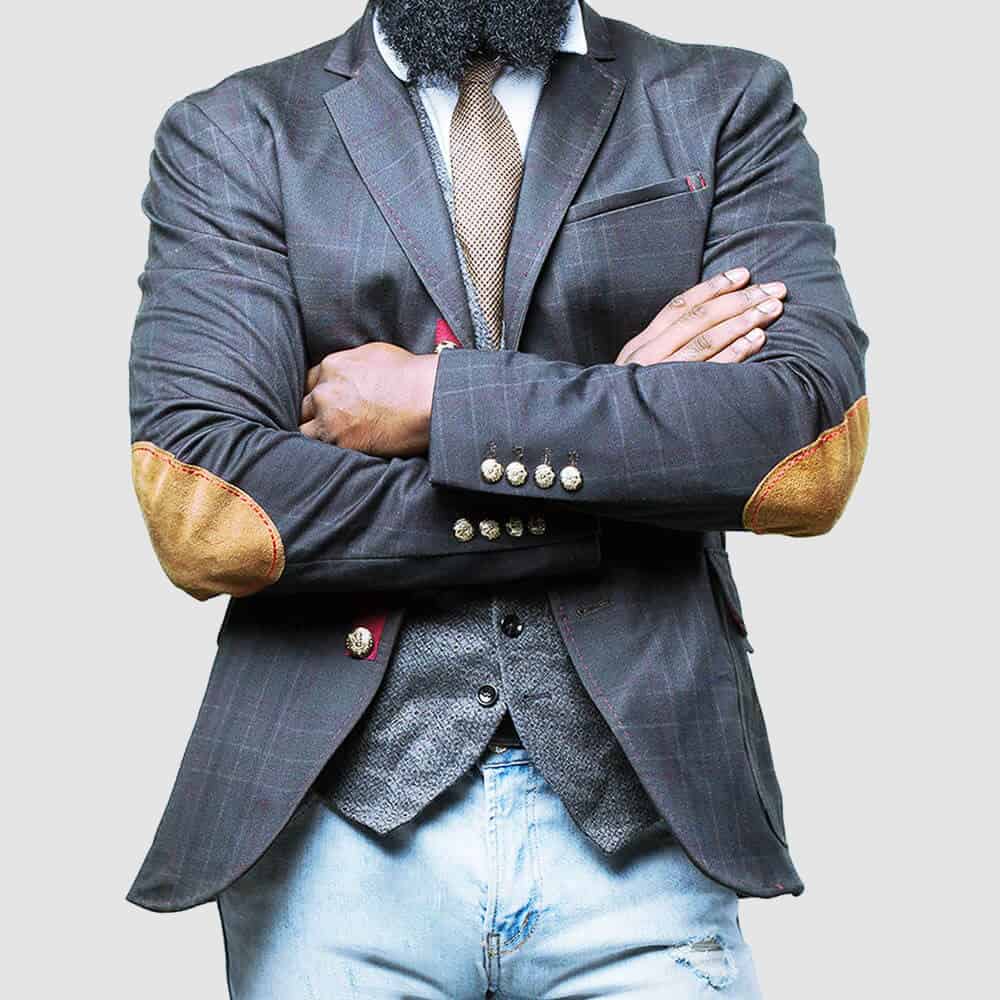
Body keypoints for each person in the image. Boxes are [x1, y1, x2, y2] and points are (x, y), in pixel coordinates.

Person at [126, 1, 870, 995]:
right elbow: (210, 512)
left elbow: (803, 449)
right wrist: (623, 431)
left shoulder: (724, 101)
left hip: (649, 822)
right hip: (332, 840)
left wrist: (437, 399)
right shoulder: (239, 130)